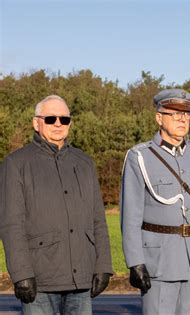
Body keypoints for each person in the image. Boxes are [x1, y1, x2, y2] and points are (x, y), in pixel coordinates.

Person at [0, 95, 113, 314]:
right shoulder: (16, 164)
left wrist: (103, 266)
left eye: (64, 119)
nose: (58, 124)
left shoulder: (84, 163)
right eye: (51, 118)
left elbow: (98, 219)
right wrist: (21, 274)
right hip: (40, 279)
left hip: (81, 279)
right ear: (36, 123)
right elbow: (11, 224)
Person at [120, 88, 190, 315]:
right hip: (160, 260)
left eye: (186, 114)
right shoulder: (140, 157)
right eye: (174, 114)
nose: (182, 119)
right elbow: (130, 217)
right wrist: (135, 262)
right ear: (159, 118)